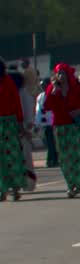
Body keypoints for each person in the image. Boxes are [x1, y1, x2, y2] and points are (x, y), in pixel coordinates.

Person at [44, 63, 80, 197]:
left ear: (68, 74)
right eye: (58, 73)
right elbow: (46, 107)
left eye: (63, 73)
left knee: (78, 156)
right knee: (64, 158)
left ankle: (79, 182)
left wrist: (79, 111)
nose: (60, 76)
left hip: (76, 126)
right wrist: (53, 92)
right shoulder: (52, 89)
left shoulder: (76, 87)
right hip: (60, 127)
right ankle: (71, 184)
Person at [0, 57, 27, 200]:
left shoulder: (8, 82)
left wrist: (20, 123)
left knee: (13, 157)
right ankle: (2, 190)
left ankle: (16, 189)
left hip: (9, 123)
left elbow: (16, 102)